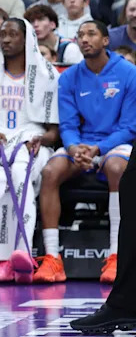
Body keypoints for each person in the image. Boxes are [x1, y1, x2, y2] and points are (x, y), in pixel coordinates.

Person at [35, 21, 136, 285]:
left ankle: (116, 256)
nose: (84, 39)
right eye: (80, 35)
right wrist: (73, 148)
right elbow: (67, 125)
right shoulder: (68, 77)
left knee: (117, 169)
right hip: (81, 144)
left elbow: (130, 126)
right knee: (50, 171)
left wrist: (98, 149)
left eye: (91, 34)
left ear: (106, 41)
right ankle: (52, 258)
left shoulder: (128, 72)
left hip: (115, 144)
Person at [0, 19, 59, 282]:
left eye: (12, 34)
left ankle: (22, 251)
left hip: (31, 140)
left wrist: (41, 139)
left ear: (27, 38)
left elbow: (54, 131)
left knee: (20, 173)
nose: (5, 39)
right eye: (2, 34)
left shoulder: (47, 74)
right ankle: (2, 261)